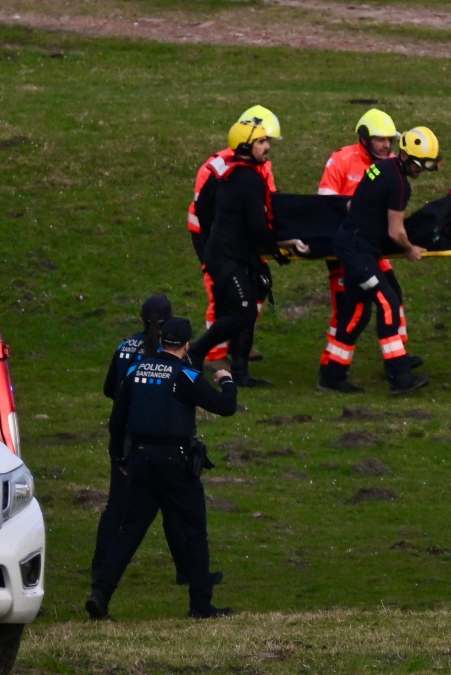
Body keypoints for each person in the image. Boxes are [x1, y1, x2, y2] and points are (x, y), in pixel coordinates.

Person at [87, 318, 237, 620]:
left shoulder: (134, 371)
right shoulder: (186, 376)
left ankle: (100, 594)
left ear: (160, 341)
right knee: (194, 531)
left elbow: (117, 422)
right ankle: (200, 604)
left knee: (129, 531)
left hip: (140, 461)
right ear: (186, 345)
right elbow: (225, 407)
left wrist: (121, 458)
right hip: (176, 464)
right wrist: (227, 381)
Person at [95, 295, 211, 589]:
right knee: (173, 511)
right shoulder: (167, 355)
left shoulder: (124, 346)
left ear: (140, 319)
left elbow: (111, 389)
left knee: (118, 509)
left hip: (125, 437)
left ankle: (100, 571)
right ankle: (188, 573)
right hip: (158, 441)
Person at [319, 126, 442, 395]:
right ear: (407, 156)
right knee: (388, 303)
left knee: (357, 312)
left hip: (351, 243)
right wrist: (410, 248)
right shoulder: (399, 184)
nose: (421, 170)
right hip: (358, 250)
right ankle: (399, 375)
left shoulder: (382, 167)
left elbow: (355, 203)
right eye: (420, 165)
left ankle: (333, 373)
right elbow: (395, 231)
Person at [187, 117, 280, 386]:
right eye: (262, 142)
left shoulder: (241, 171)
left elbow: (204, 207)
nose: (268, 147)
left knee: (247, 309)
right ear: (245, 144)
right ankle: (199, 352)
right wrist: (276, 250)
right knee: (240, 310)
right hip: (224, 254)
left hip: (236, 252)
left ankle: (240, 373)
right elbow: (255, 222)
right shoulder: (237, 175)